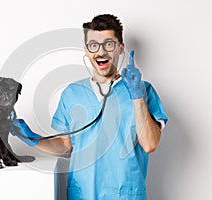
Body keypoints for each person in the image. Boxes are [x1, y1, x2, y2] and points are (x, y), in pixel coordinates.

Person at [12, 14, 168, 200]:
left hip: (125, 194)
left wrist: (137, 97)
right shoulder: (72, 93)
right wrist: (32, 139)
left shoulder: (143, 90)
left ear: (120, 48)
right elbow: (65, 146)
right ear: (86, 50)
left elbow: (150, 144)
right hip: (82, 194)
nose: (100, 52)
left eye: (109, 44)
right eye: (94, 45)